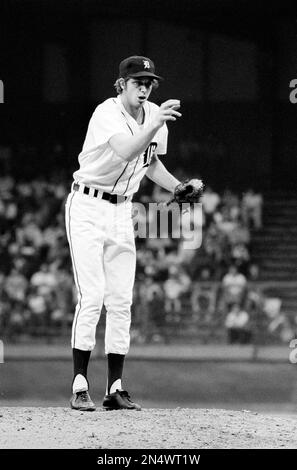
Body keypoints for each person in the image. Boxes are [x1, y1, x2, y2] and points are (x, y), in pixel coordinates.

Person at [65, 55, 189, 411]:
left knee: (120, 300)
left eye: (149, 82)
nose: (145, 87)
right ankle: (79, 384)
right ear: (121, 84)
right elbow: (126, 150)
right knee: (92, 296)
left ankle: (115, 388)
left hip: (122, 209)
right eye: (138, 81)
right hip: (87, 206)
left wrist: (177, 187)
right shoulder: (107, 112)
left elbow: (148, 161)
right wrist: (154, 123)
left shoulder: (153, 116)